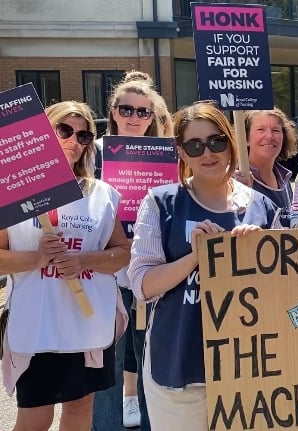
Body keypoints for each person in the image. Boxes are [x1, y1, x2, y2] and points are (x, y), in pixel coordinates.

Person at [127, 101, 278, 430]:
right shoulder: (160, 202)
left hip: (252, 370)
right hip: (179, 368)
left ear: (230, 143)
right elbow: (142, 283)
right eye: (195, 145)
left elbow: (290, 286)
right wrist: (195, 257)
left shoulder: (263, 208)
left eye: (216, 141)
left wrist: (264, 254)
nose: (208, 153)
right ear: (181, 152)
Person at [0, 101, 131, 430]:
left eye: (84, 135)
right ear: (43, 133)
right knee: (36, 416)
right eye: (65, 130)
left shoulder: (102, 194)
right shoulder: (16, 193)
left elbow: (122, 253)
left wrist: (83, 260)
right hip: (37, 324)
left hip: (88, 323)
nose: (75, 140)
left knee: (80, 407)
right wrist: (36, 258)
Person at [92, 70, 166, 430]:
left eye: (143, 112)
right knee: (107, 362)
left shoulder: (165, 156)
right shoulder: (94, 153)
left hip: (150, 268)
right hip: (106, 270)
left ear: (152, 117)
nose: (135, 118)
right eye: (127, 110)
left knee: (150, 360)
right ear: (114, 111)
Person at [239, 108, 298, 227]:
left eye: (276, 130)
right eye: (261, 130)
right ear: (245, 138)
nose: (269, 136)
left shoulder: (285, 179)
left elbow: (294, 223)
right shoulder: (238, 179)